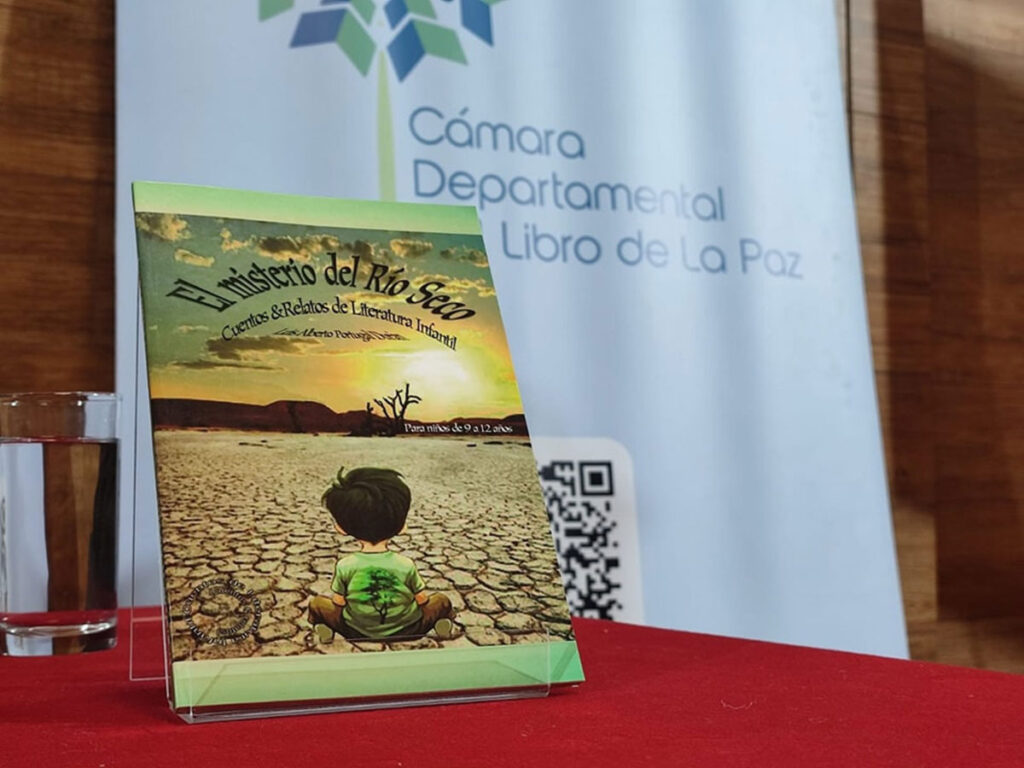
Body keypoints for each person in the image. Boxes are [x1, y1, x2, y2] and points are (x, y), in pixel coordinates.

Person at [307, 466, 455, 643]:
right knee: (441, 601)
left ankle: (325, 629)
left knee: (317, 604)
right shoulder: (405, 564)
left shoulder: (345, 565)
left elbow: (339, 602)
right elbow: (421, 599)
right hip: (409, 630)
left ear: (341, 528)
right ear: (402, 527)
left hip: (355, 631)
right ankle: (442, 624)